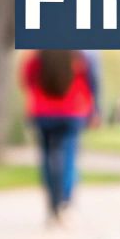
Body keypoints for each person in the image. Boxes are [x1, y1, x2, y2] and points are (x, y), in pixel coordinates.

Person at [20, 50, 101, 222]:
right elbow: (92, 82)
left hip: (43, 112)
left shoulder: (39, 55)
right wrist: (94, 110)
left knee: (47, 158)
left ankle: (52, 203)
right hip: (72, 111)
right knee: (69, 157)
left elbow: (27, 79)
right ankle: (65, 201)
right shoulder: (80, 55)